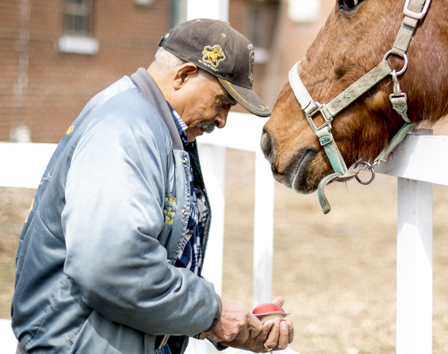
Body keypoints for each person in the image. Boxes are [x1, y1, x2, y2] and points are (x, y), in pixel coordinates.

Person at [12, 19, 293, 354]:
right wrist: (212, 314)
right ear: (184, 75)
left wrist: (226, 325)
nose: (222, 120)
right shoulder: (127, 130)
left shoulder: (155, 126)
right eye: (222, 102)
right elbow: (110, 265)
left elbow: (159, 258)